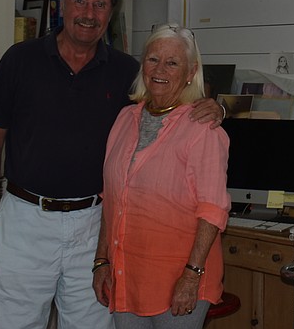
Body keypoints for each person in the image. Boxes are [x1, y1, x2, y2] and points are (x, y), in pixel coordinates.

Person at [0, 0, 225, 329]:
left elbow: (173, 94)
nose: (89, 14)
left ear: (111, 12)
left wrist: (217, 107)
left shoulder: (125, 71)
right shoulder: (19, 60)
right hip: (25, 219)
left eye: (100, 4)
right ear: (63, 4)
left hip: (93, 227)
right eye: (80, 1)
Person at [93, 24, 230, 328]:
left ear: (191, 72)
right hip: (127, 275)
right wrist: (101, 260)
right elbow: (111, 199)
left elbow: (212, 211)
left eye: (172, 63)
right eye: (153, 59)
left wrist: (191, 276)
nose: (160, 70)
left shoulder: (202, 128)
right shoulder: (124, 119)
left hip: (180, 279)